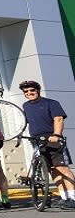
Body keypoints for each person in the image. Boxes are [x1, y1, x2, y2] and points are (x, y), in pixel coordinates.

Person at [20, 80, 75, 209]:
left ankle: (73, 197)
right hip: (36, 140)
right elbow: (25, 122)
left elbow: (58, 119)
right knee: (51, 169)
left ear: (38, 90)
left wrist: (56, 135)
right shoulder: (25, 106)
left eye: (32, 90)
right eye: (26, 91)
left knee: (62, 168)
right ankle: (64, 197)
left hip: (52, 138)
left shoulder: (51, 103)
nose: (29, 93)